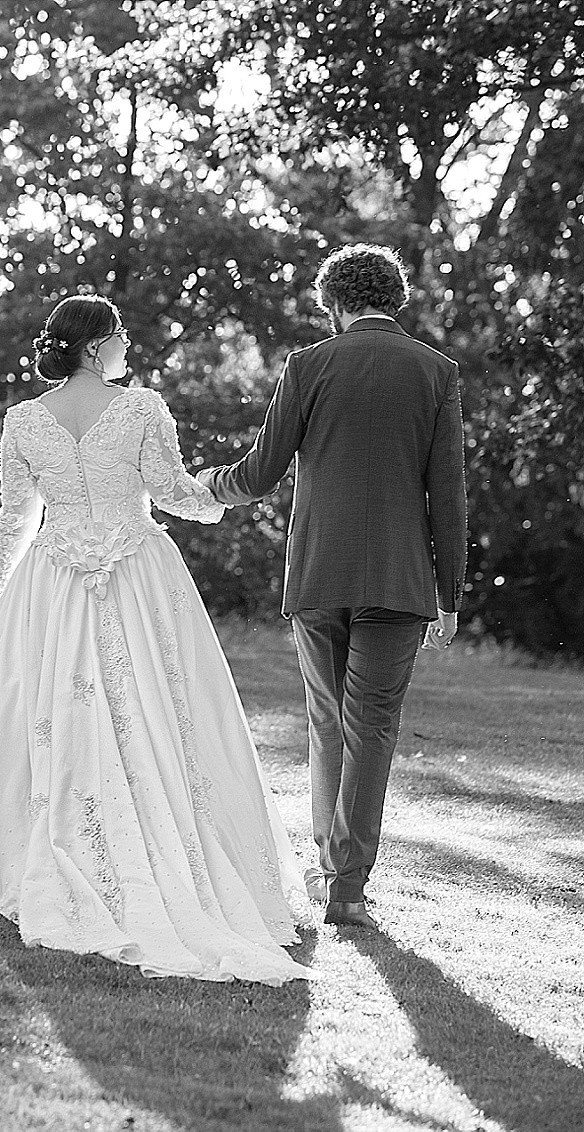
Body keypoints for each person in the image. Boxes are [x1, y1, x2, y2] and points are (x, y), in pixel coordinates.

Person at [0, 294, 315, 983]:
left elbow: (15, 520)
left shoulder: (24, 419)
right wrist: (231, 488)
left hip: (52, 578)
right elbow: (174, 493)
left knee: (52, 706)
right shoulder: (141, 408)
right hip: (135, 571)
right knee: (157, 705)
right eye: (121, 335)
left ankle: (48, 838)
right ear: (98, 346)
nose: (128, 345)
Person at [197, 244, 467, 929]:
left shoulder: (308, 365)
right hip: (402, 580)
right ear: (394, 299)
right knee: (371, 728)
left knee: (327, 723)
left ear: (336, 303)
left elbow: (259, 474)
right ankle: (347, 888)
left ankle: (328, 870)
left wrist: (207, 486)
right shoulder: (437, 371)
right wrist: (450, 595)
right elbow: (448, 495)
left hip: (319, 573)